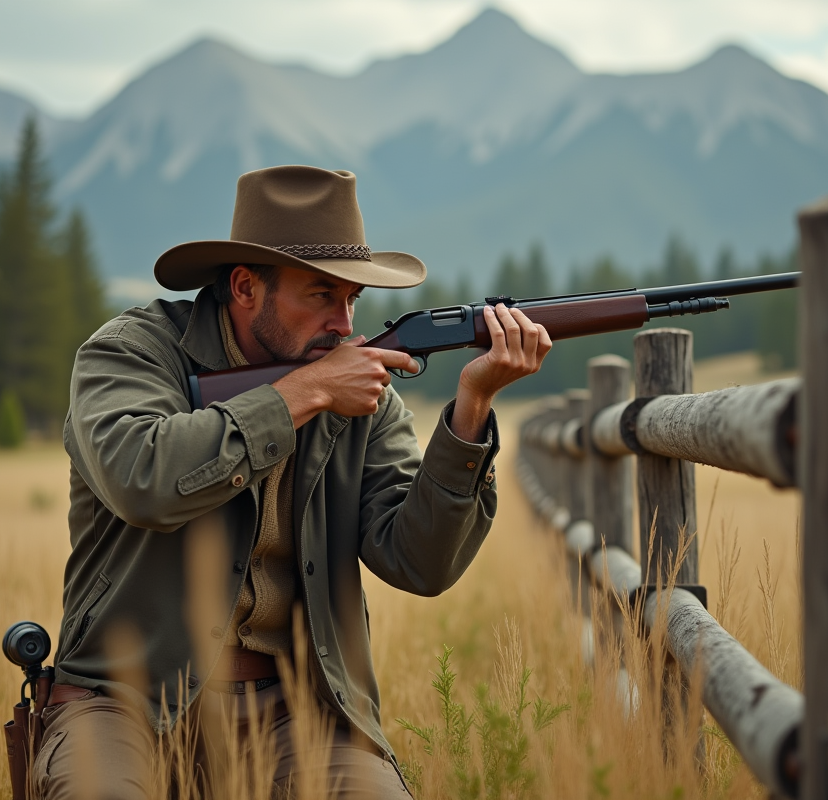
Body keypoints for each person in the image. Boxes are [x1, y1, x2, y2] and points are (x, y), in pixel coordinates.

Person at [32, 165, 552, 799]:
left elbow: (419, 563)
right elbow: (143, 478)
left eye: (352, 299)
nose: (343, 322)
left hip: (297, 705)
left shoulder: (360, 393)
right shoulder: (133, 354)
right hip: (123, 698)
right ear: (246, 287)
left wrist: (471, 410)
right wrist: (298, 397)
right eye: (320, 295)